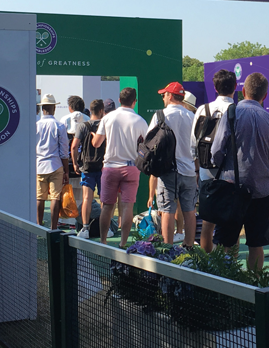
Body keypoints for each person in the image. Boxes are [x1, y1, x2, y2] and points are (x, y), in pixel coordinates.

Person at [209, 73, 269, 272]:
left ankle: (223, 281)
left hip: (231, 188)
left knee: (225, 243)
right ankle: (254, 284)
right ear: (265, 95)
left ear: (243, 91)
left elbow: (216, 152)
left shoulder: (231, 114)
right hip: (261, 192)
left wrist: (223, 168)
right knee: (256, 244)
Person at [92, 87, 148, 248]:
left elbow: (96, 143)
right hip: (131, 167)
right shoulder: (140, 121)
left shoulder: (108, 118)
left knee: (107, 206)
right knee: (127, 206)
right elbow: (146, 146)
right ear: (134, 101)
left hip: (110, 166)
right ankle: (123, 243)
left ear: (119, 100)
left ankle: (103, 240)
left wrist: (94, 137)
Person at [146, 82, 197, 246]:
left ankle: (167, 248)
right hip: (189, 170)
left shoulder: (161, 115)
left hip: (168, 170)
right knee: (190, 210)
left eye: (164, 95)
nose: (163, 98)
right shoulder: (192, 116)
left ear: (170, 96)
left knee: (167, 210)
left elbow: (149, 141)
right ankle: (189, 246)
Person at [191, 69, 237, 252]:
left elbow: (193, 143)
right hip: (232, 175)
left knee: (207, 223)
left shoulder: (203, 110)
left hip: (206, 173)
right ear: (235, 86)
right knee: (232, 224)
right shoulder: (238, 110)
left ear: (215, 88)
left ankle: (207, 263)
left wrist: (198, 170)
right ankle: (229, 265)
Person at [36, 94, 71, 230]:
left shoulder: (36, 125)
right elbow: (64, 150)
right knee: (55, 197)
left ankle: (39, 225)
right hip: (55, 164)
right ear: (54, 108)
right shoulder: (59, 125)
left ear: (42, 108)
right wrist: (66, 170)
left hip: (39, 164)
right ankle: (53, 227)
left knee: (40, 197)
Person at [73, 99, 106, 239]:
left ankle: (85, 228)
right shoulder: (105, 125)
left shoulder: (83, 126)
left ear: (90, 110)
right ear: (101, 111)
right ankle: (106, 228)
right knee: (105, 199)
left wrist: (75, 163)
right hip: (103, 166)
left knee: (86, 198)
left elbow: (74, 146)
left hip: (87, 167)